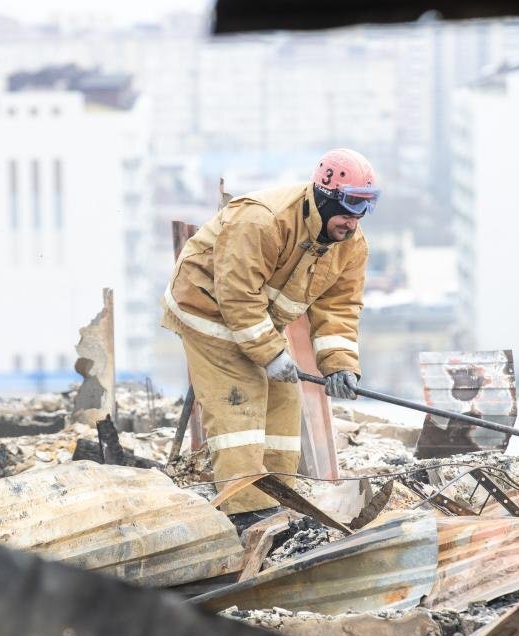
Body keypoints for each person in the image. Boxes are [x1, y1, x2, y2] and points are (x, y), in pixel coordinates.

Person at [161, 148, 378, 528]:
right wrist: (269, 353)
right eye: (349, 207)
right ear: (325, 198)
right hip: (208, 312)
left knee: (282, 408)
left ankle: (279, 504)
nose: (354, 220)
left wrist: (340, 365)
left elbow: (339, 308)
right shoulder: (263, 220)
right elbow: (237, 294)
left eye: (365, 208)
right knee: (240, 412)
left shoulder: (350, 244)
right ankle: (245, 514)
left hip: (260, 320)